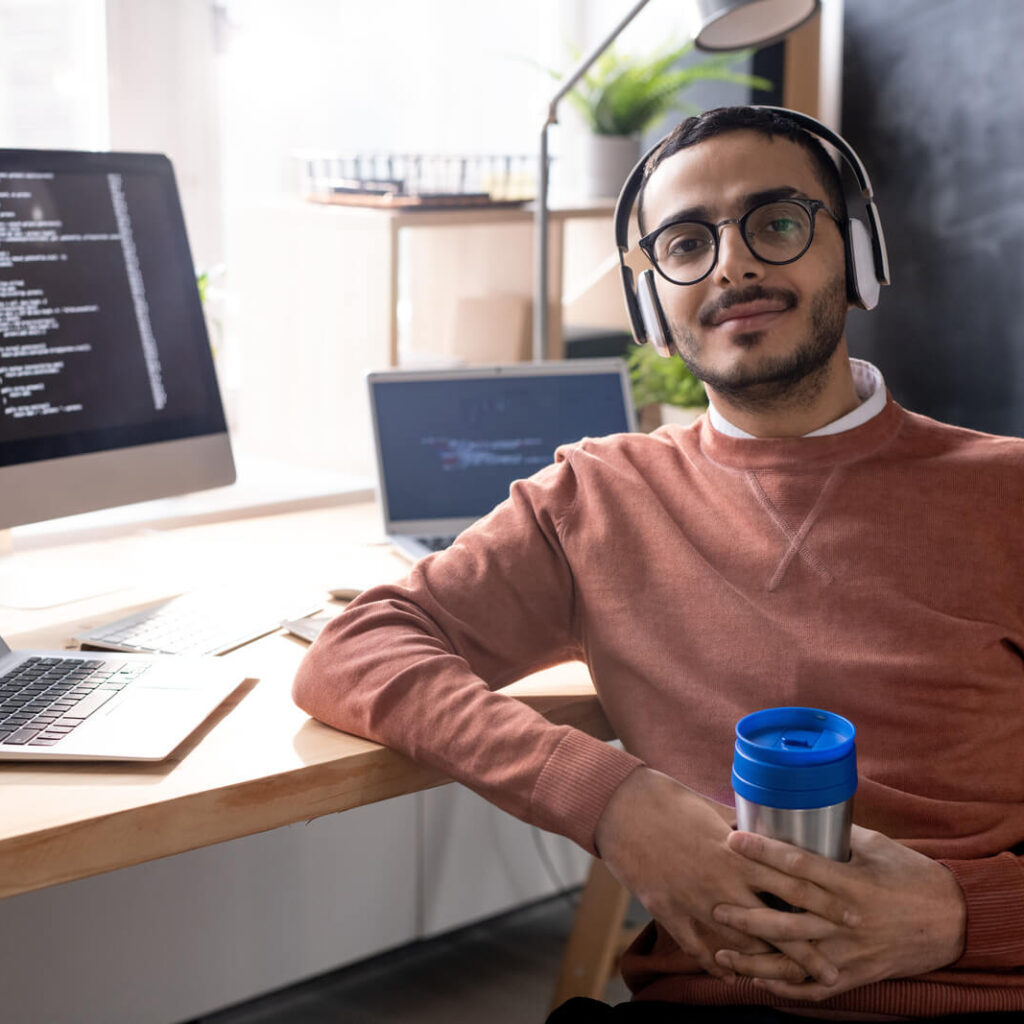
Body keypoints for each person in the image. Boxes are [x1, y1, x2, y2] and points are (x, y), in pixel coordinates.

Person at [292, 106, 1024, 1021]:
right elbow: (355, 648)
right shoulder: (596, 498)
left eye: (779, 223)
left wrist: (965, 917)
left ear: (858, 254)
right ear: (652, 305)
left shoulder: (1008, 493)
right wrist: (612, 799)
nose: (734, 264)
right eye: (685, 243)